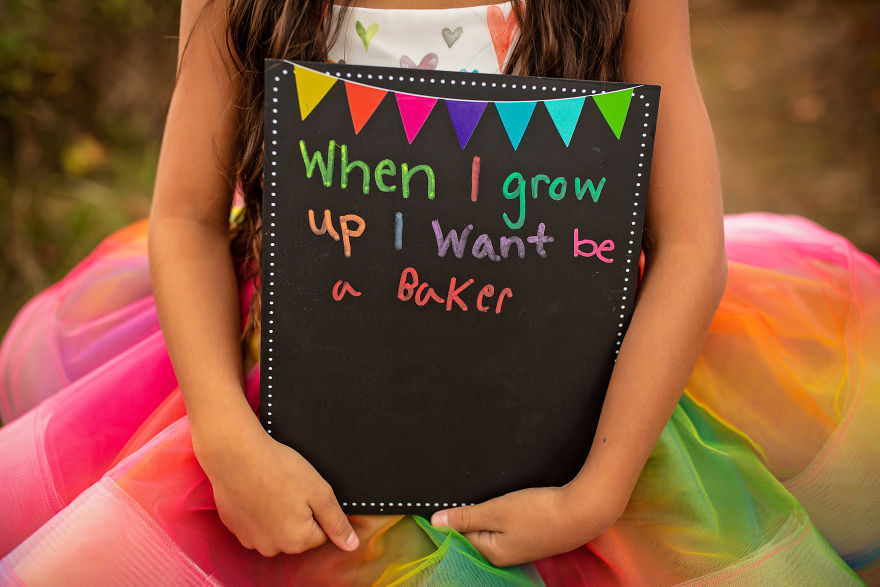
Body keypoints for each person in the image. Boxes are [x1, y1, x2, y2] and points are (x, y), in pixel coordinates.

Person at [0, 0, 877, 584]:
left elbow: (687, 243)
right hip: (289, 438)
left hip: (579, 433)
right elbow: (187, 215)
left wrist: (598, 491)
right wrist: (228, 443)